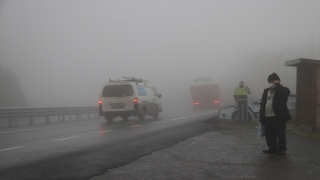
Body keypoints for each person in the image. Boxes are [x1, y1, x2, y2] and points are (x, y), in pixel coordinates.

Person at [259, 73, 291, 155]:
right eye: (270, 81)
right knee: (269, 134)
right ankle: (272, 147)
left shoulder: (284, 90)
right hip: (267, 116)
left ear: (279, 81)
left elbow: (284, 95)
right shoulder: (266, 92)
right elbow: (262, 105)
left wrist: (278, 85)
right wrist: (261, 116)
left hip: (278, 116)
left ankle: (282, 148)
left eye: (274, 81)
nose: (272, 83)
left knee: (281, 133)